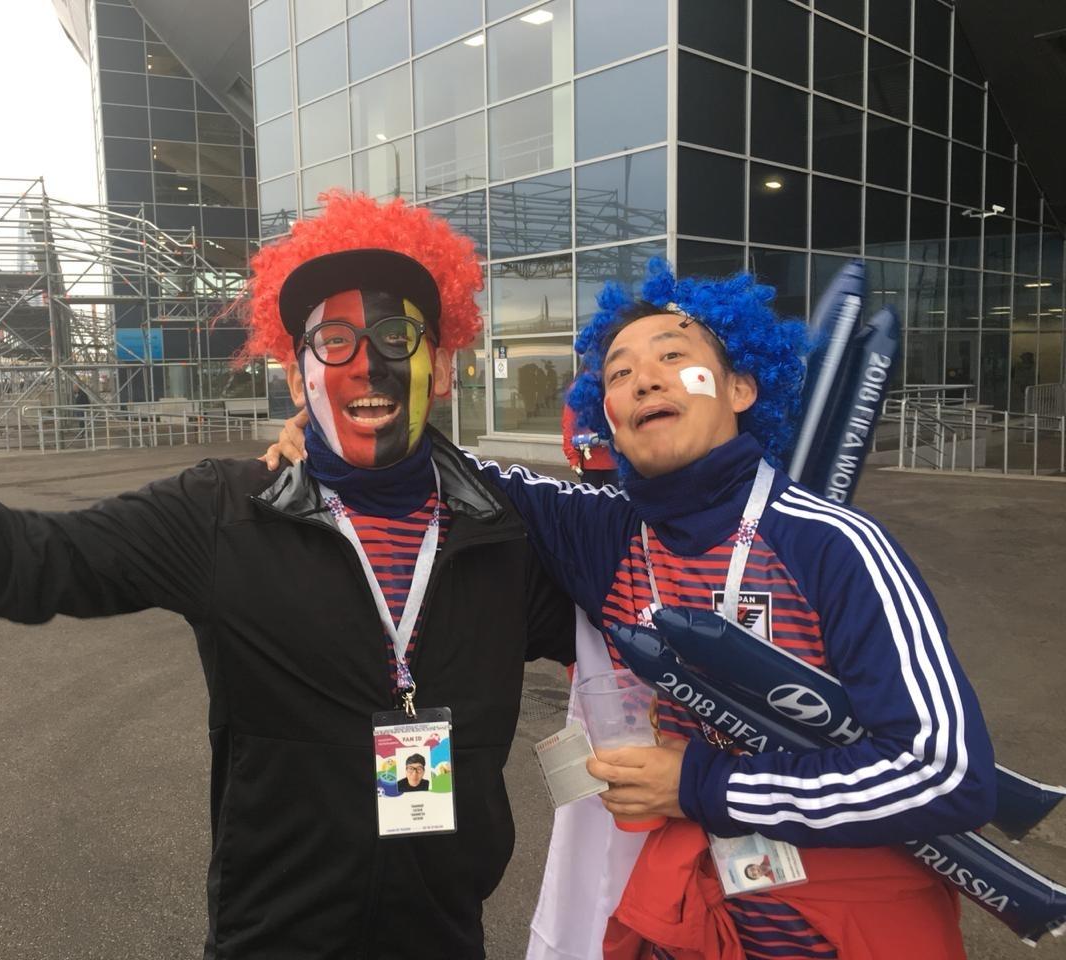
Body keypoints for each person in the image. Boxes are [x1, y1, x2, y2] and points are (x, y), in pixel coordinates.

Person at [0, 190, 574, 959]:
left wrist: (695, 774)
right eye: (333, 341)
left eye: (398, 337)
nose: (367, 365)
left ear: (443, 367)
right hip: (277, 936)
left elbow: (636, 632)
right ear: (296, 378)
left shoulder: (505, 533)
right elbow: (23, 564)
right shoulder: (223, 514)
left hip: (443, 936)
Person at [269, 259, 997, 958]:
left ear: (742, 386)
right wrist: (333, 436)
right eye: (617, 373)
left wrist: (702, 785)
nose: (643, 377)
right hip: (677, 926)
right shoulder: (605, 534)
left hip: (836, 934)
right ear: (606, 417)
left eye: (673, 356)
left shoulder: (832, 545)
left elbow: (947, 773)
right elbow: (443, 470)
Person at [561, 395, 618, 486]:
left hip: (616, 459)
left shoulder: (616, 385)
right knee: (592, 498)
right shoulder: (580, 388)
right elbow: (569, 425)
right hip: (590, 461)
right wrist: (573, 456)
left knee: (617, 498)